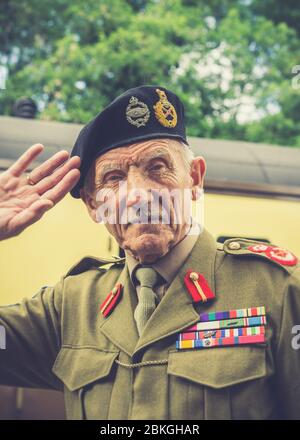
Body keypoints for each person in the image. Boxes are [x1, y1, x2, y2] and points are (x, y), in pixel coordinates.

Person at [0, 85, 300, 420]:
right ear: (92, 204)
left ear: (195, 178)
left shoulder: (278, 290)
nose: (138, 195)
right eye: (113, 178)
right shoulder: (72, 305)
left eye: (157, 167)